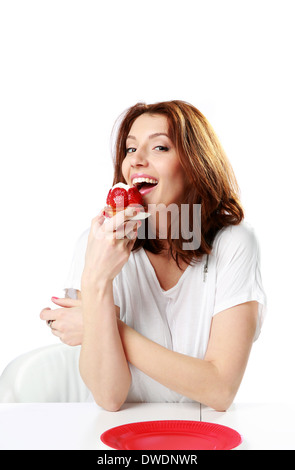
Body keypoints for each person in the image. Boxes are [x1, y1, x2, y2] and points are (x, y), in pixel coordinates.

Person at [40, 100, 267, 411]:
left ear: (195, 164)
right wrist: (96, 280)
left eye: (159, 148)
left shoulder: (234, 243)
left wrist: (101, 322)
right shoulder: (96, 243)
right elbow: (110, 398)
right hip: (121, 434)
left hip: (203, 434)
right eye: (130, 149)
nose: (136, 160)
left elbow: (220, 389)